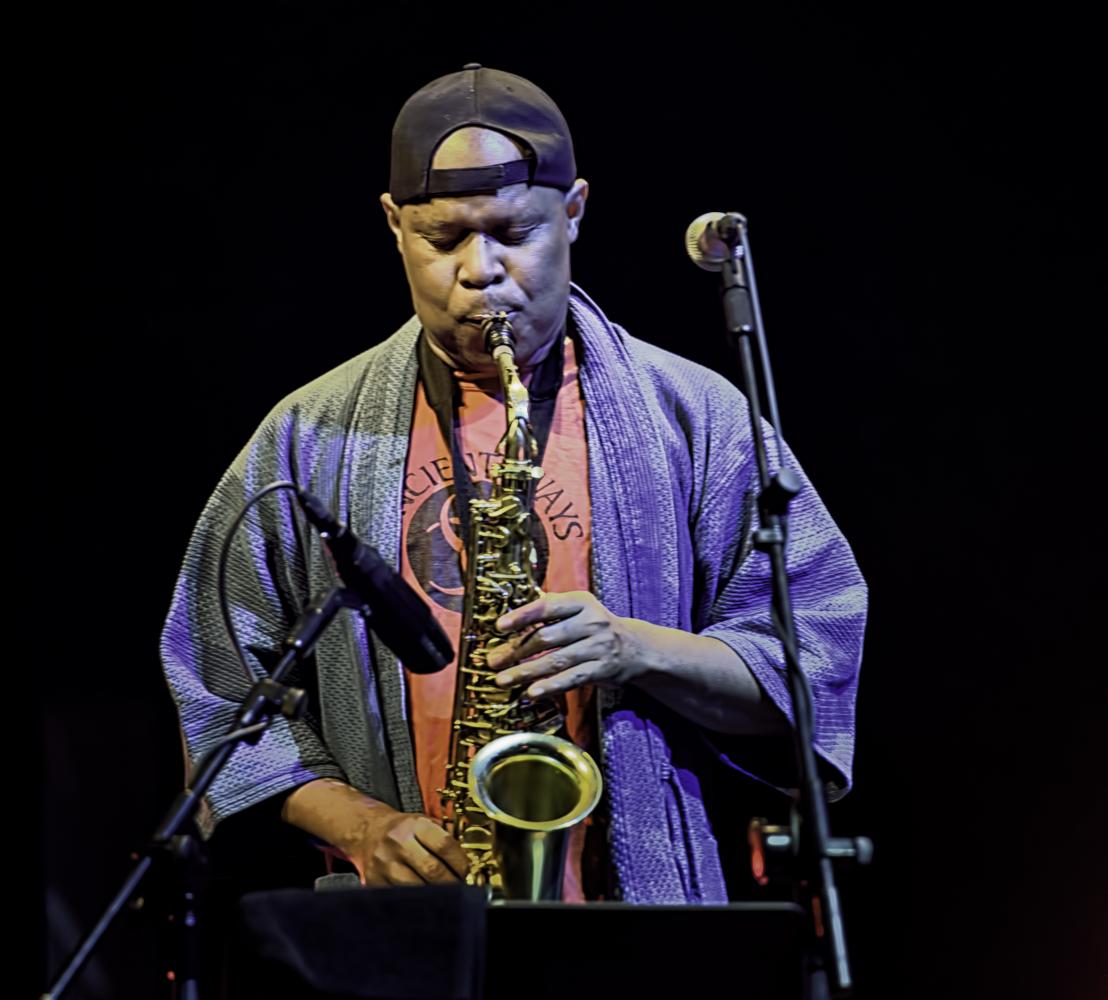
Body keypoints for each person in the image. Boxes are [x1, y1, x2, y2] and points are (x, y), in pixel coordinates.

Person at [161, 64, 866, 905]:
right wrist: (361, 828)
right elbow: (217, 696)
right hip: (396, 922)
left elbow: (809, 660)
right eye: (444, 238)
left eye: (513, 232)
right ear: (393, 226)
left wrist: (634, 648)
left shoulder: (697, 415)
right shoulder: (307, 436)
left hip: (637, 929)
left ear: (573, 212)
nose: (480, 271)